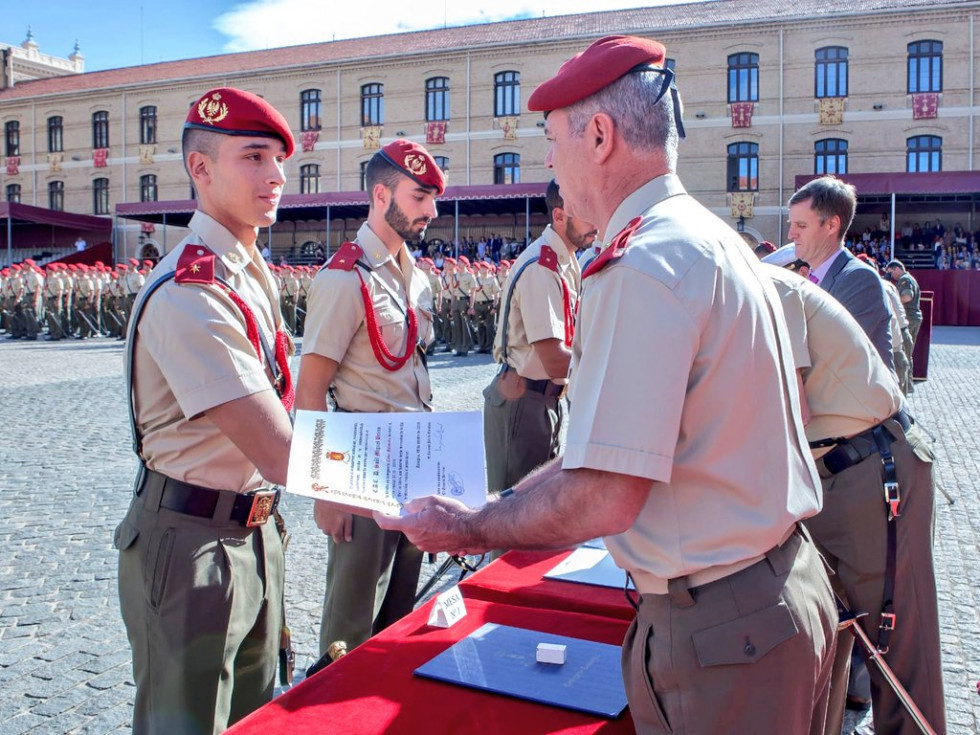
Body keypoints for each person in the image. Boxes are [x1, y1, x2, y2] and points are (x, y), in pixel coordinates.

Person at [376, 34, 836, 735]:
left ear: (599, 134)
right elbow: (610, 447)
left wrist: (471, 527)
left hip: (724, 629)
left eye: (552, 142)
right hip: (762, 598)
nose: (550, 166)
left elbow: (606, 491)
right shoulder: (704, 239)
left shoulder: (642, 262)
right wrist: (502, 501)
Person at [115, 87, 296, 734]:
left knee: (256, 717)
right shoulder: (192, 290)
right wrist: (405, 476)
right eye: (254, 156)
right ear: (200, 169)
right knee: (185, 723)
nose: (276, 175)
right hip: (192, 541)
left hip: (253, 529)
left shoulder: (247, 270)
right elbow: (280, 449)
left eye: (279, 159)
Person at [762, 246, 946, 735]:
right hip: (834, 473)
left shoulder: (772, 290)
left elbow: (789, 411)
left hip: (869, 467)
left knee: (896, 639)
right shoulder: (757, 291)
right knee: (832, 624)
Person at [296, 139, 442, 664]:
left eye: (431, 198)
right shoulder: (343, 277)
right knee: (351, 625)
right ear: (382, 195)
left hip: (414, 459)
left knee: (400, 613)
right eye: (420, 196)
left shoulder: (415, 275)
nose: (431, 210)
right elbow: (311, 387)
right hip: (362, 464)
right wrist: (324, 491)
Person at [483, 179, 592, 499]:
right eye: (585, 213)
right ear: (560, 216)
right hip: (523, 402)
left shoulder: (563, 263)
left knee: (536, 516)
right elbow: (554, 358)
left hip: (543, 400)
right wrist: (612, 366)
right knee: (511, 519)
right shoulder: (542, 267)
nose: (595, 223)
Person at [788, 177, 894, 372]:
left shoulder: (859, 280)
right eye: (791, 224)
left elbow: (824, 359)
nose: (791, 234)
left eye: (801, 226)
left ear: (831, 225)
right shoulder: (812, 279)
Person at [884, 259, 922, 387]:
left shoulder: (904, 280)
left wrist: (893, 300)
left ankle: (906, 383)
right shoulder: (908, 278)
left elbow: (907, 296)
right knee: (907, 351)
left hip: (909, 317)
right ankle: (908, 382)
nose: (892, 276)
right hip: (913, 317)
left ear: (897, 269)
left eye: (891, 272)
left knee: (904, 351)